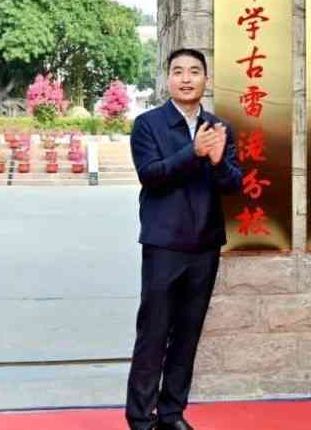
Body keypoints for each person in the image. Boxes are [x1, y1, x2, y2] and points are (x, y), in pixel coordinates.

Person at [125, 48, 243, 430]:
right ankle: (141, 419)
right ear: (168, 79)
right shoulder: (148, 125)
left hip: (205, 245)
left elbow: (233, 185)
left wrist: (217, 160)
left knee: (188, 334)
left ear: (206, 79)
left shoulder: (220, 128)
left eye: (195, 71)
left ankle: (172, 413)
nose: (187, 78)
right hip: (163, 245)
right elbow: (152, 175)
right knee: (154, 333)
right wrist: (192, 152)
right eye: (178, 71)